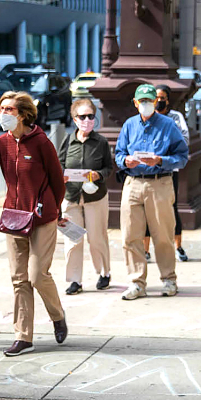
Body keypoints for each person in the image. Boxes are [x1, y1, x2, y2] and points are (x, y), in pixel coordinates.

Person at [0, 91, 68, 355]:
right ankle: (23, 336)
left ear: (24, 114)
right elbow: (8, 177)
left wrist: (55, 209)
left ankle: (57, 316)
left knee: (38, 275)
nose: (3, 113)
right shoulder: (2, 143)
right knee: (19, 279)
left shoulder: (41, 143)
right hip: (14, 217)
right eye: (1, 108)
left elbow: (58, 182)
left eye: (9, 110)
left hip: (42, 217)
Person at [115, 84, 188, 300]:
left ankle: (168, 279)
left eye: (150, 100)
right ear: (135, 103)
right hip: (133, 182)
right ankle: (136, 282)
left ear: (155, 102)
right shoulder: (129, 125)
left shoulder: (168, 125)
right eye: (142, 101)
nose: (146, 104)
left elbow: (182, 156)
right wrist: (124, 160)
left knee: (163, 234)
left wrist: (160, 160)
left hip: (160, 182)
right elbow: (119, 152)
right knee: (130, 235)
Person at [58, 98, 113, 295]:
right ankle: (75, 280)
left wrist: (99, 174)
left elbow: (109, 167)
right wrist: (61, 176)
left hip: (95, 197)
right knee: (73, 240)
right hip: (71, 197)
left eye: (91, 116)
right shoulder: (68, 140)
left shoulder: (101, 142)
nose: (87, 120)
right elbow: (59, 165)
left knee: (97, 238)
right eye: (82, 116)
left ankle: (104, 273)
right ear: (74, 119)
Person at [144, 84, 190, 262]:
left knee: (172, 207)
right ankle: (146, 249)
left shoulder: (175, 118)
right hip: (147, 169)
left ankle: (178, 246)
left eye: (161, 98)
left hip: (169, 169)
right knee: (147, 210)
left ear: (167, 100)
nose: (158, 101)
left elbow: (183, 139)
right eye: (155, 98)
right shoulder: (146, 117)